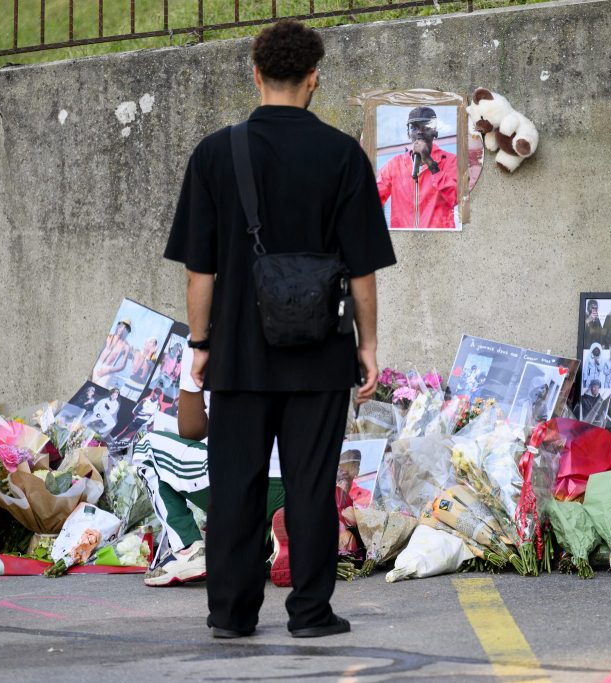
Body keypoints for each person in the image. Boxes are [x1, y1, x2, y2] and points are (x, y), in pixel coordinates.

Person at [164, 20, 396, 639]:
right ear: (315, 78)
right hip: (319, 352)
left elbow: (199, 271)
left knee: (235, 483)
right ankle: (311, 614)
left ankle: (232, 615)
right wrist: (367, 347)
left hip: (239, 353)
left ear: (256, 73)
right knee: (311, 484)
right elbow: (364, 273)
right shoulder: (343, 154)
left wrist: (201, 343)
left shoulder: (216, 153)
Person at [135, 339, 286, 587]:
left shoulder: (206, 336)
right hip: (296, 481)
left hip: (239, 479)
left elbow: (192, 429)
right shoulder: (296, 324)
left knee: (148, 447)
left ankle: (188, 549)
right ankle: (274, 543)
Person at [375, 107, 457, 229]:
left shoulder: (451, 161)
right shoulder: (394, 165)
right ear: (408, 133)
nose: (419, 132)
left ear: (435, 132)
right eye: (414, 127)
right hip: (405, 242)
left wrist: (430, 163)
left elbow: (456, 198)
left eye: (425, 126)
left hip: (440, 241)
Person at [93, 319, 133, 388]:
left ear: (127, 331)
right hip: (97, 365)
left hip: (108, 371)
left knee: (100, 391)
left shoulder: (126, 346)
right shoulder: (108, 336)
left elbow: (122, 366)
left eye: (125, 328)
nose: (122, 329)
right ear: (118, 326)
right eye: (121, 326)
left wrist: (107, 370)